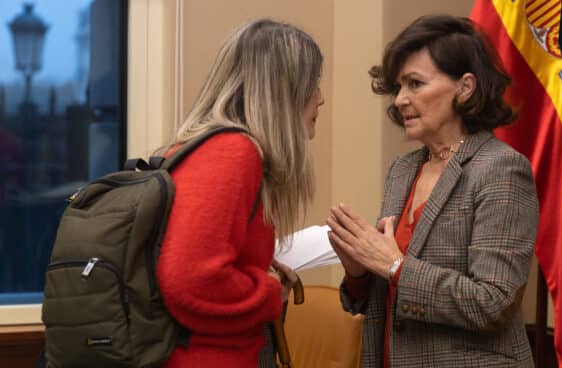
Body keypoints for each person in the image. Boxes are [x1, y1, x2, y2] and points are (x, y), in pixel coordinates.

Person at [326, 15, 538, 367]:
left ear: (465, 87)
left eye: (415, 84)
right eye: (398, 87)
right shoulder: (402, 170)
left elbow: (493, 302)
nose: (400, 100)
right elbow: (388, 300)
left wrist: (393, 265)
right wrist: (360, 272)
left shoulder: (501, 169)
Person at [156, 19, 324, 368]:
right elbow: (190, 279)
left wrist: (254, 267)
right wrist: (266, 292)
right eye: (313, 84)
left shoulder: (199, 149)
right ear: (284, 91)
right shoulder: (234, 152)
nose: (320, 98)